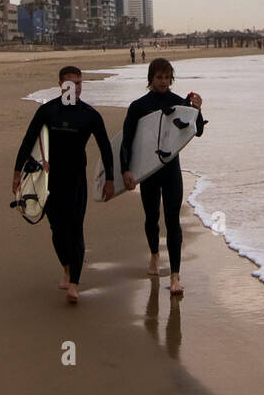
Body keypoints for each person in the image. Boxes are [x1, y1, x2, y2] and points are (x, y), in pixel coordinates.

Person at [13, 66, 115, 304]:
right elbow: (28, 141)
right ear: (60, 85)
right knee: (57, 230)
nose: (75, 87)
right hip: (50, 181)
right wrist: (17, 174)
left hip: (76, 180)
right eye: (70, 83)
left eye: (79, 83)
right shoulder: (47, 111)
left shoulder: (90, 115)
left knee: (75, 229)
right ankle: (67, 268)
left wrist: (110, 179)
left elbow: (105, 148)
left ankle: (75, 284)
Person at [121, 58, 203, 297]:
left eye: (167, 78)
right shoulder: (138, 106)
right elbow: (127, 140)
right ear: (151, 78)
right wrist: (127, 170)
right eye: (159, 78)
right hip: (148, 171)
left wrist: (198, 110)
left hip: (170, 171)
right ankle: (155, 255)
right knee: (151, 217)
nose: (163, 82)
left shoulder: (179, 103)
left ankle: (175, 276)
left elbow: (197, 131)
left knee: (173, 220)